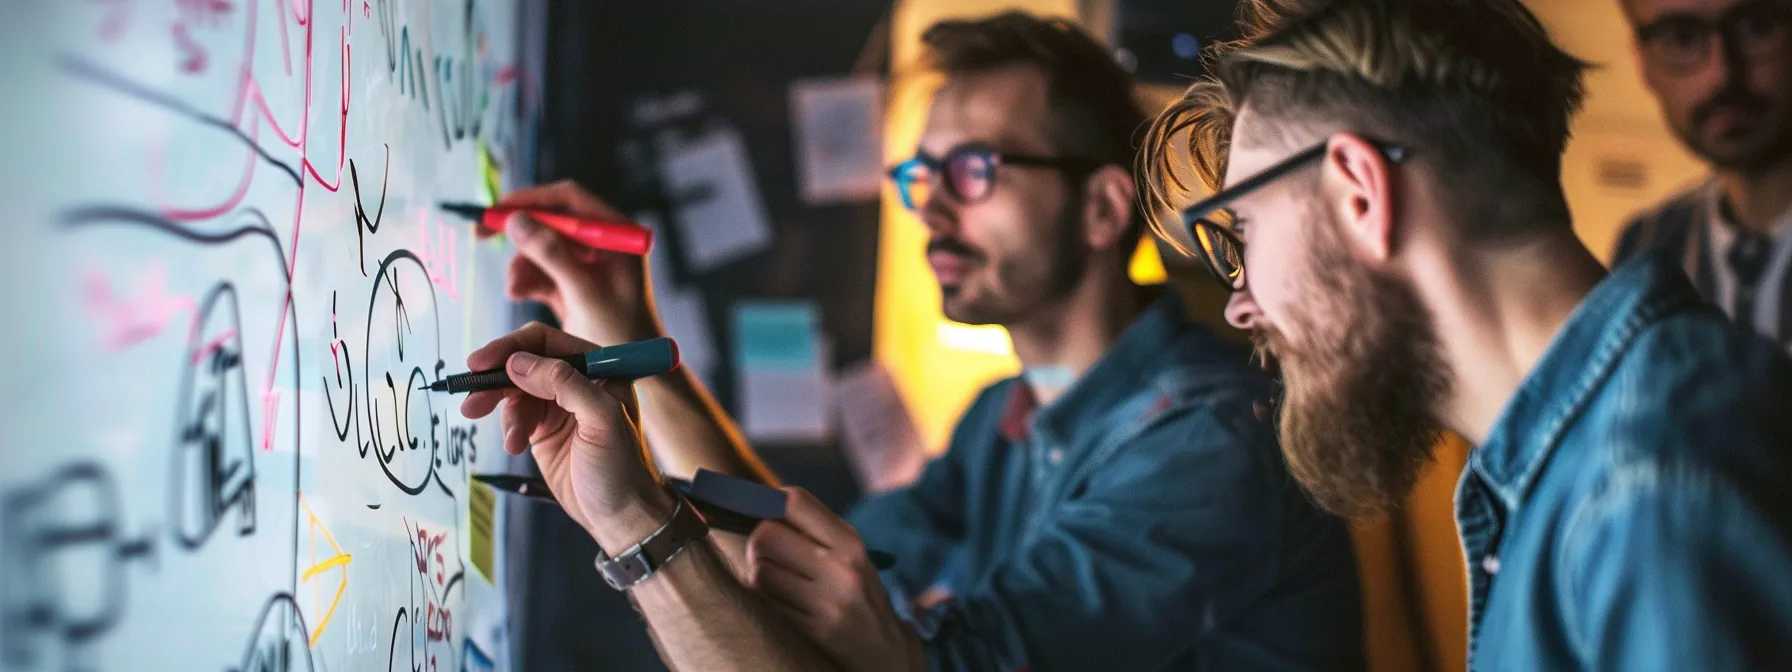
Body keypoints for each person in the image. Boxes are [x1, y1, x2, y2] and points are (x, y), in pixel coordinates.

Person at [476, 11, 1365, 671]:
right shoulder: (1005, 419)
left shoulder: (1212, 440)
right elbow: (785, 571)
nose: (930, 207)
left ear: (1100, 207)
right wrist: (627, 327)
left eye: (975, 169)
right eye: (921, 172)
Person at [1137, 0, 1792, 669]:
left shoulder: (1647, 491)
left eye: (1242, 233)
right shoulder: (1578, 470)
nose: (1239, 307)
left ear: (1360, 194)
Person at [1614, 0, 1792, 351]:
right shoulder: (1646, 248)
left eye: (1756, 26)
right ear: (1642, 62)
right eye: (1681, 37)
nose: (1722, 74)